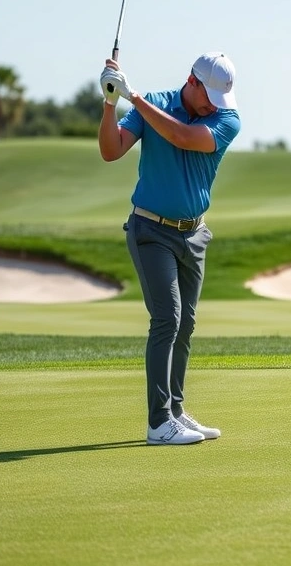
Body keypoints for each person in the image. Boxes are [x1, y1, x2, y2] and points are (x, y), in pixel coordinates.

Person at [97, 52, 241, 445]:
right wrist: (111, 102)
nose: (213, 104)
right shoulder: (155, 105)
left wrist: (134, 97)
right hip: (151, 230)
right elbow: (111, 151)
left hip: (194, 234)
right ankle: (159, 422)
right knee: (168, 318)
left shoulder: (227, 119)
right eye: (208, 95)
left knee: (186, 324)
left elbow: (182, 137)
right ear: (192, 81)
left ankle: (175, 410)